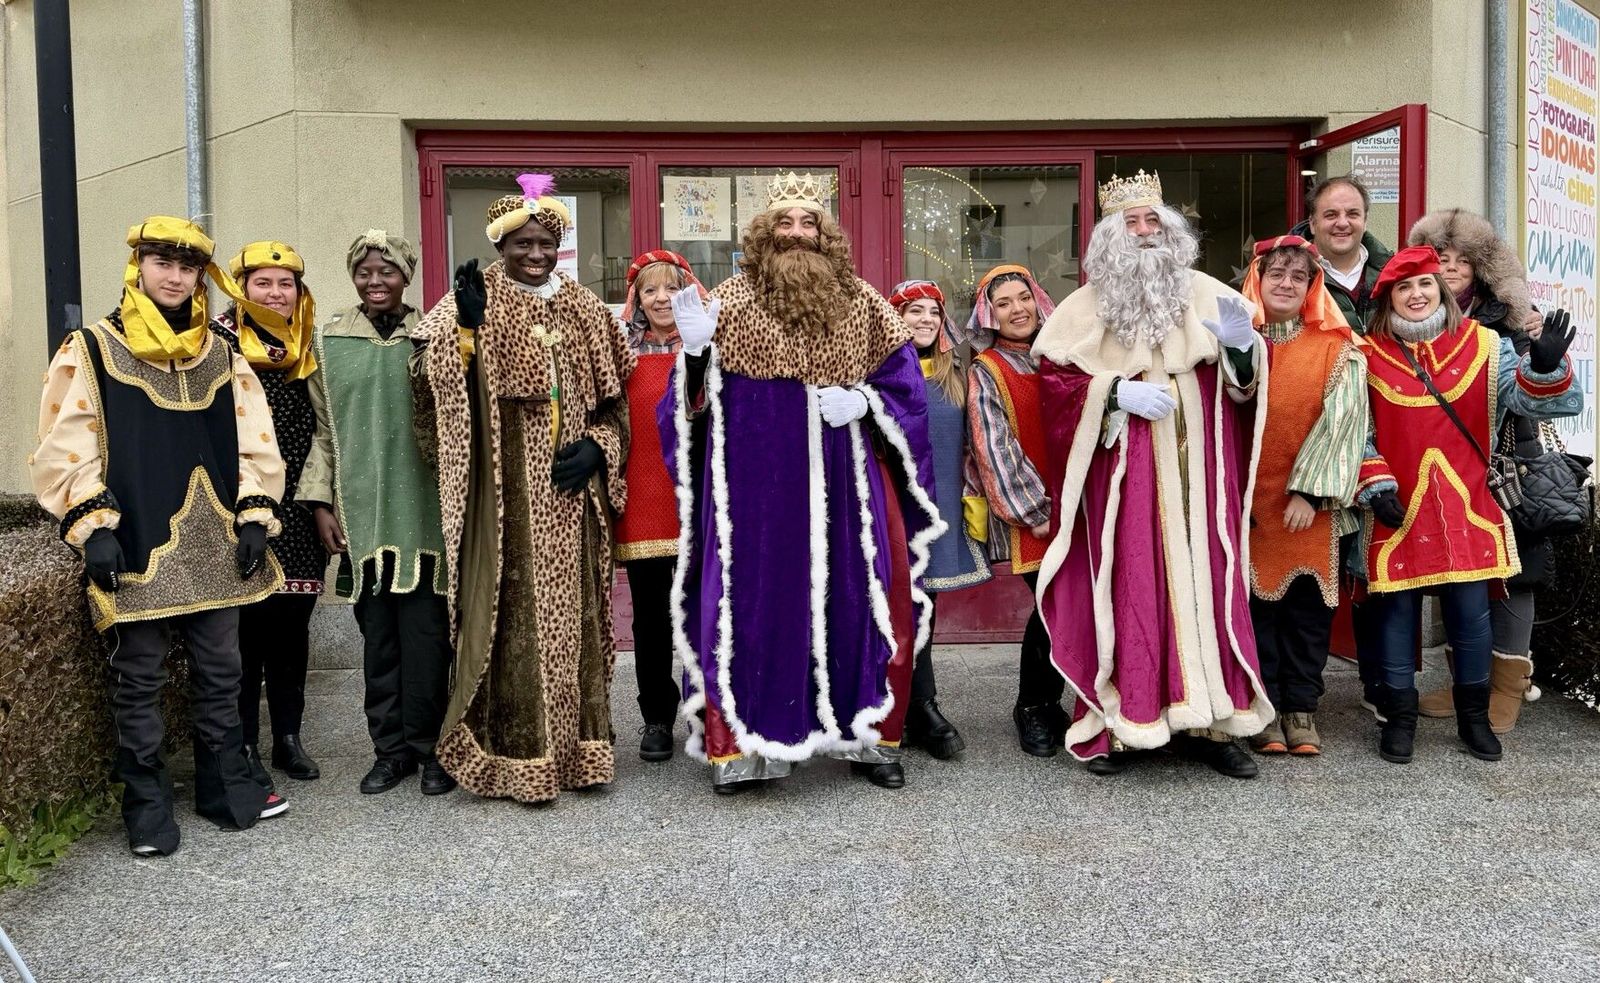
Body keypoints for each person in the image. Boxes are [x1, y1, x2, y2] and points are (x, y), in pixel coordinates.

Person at [661, 171, 944, 793]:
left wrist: (865, 401)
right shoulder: (730, 300)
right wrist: (697, 355)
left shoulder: (864, 302)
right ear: (765, 233)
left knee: (862, 596)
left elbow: (908, 389)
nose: (796, 233)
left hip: (847, 481)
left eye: (807, 222)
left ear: (825, 233)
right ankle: (748, 745)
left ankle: (864, 735)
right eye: (784, 222)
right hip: (754, 488)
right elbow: (685, 411)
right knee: (753, 605)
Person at [31, 217, 289, 856]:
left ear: (201, 276)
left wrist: (254, 512)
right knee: (140, 674)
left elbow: (254, 437)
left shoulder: (223, 354)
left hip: (216, 540)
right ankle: (145, 802)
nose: (174, 278)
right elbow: (68, 441)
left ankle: (222, 784)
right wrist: (91, 523)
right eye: (162, 264)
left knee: (222, 669)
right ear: (139, 267)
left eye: (187, 267)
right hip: (138, 538)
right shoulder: (91, 349)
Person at [1032, 171, 1271, 779]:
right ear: (1111, 238)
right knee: (1131, 585)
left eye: (1153, 222)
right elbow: (1056, 387)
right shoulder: (1082, 308)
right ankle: (1124, 723)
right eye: (1131, 223)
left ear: (1173, 231)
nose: (1144, 233)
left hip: (1199, 477)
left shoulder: (1209, 293)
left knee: (1207, 585)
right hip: (1125, 481)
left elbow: (1243, 390)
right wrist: (1114, 394)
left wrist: (1241, 349)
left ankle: (1212, 721)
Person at [414, 174, 635, 803]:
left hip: (572, 499)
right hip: (505, 495)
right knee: (510, 622)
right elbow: (429, 388)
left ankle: (581, 754)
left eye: (546, 243)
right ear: (501, 245)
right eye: (522, 243)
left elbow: (616, 404)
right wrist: (466, 333)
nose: (535, 254)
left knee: (577, 621)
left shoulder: (586, 307)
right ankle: (513, 757)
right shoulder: (470, 298)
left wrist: (599, 448)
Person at [1353, 245, 1580, 764]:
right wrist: (1374, 483)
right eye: (1403, 287)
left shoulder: (1485, 345)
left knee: (1471, 616)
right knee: (1395, 614)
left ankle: (1474, 720)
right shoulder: (1365, 355)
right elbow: (1352, 430)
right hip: (1397, 506)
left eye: (1425, 284)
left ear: (1442, 290)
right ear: (1388, 299)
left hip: (1469, 505)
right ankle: (1400, 721)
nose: (1416, 294)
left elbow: (1527, 400)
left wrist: (1543, 367)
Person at [299, 230, 456, 797]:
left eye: (387, 271)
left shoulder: (434, 337)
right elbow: (323, 433)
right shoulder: (329, 342)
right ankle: (389, 752)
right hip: (362, 515)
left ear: (406, 276)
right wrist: (321, 503)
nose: (375, 282)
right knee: (379, 642)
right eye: (365, 272)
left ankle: (432, 750)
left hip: (426, 513)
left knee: (428, 640)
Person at [1408, 209, 1549, 733]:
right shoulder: (1418, 317)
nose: (1449, 268)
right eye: (1440, 258)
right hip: (1445, 462)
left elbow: (1537, 392)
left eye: (1461, 260)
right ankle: (1465, 679)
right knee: (1456, 568)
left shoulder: (1512, 320)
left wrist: (1540, 355)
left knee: (1514, 572)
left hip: (1506, 461)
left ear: (1482, 269)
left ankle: (1508, 686)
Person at [1237, 236, 1369, 756]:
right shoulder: (1235, 345)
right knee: (1256, 615)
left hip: (1309, 509)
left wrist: (1309, 494)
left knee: (1308, 615)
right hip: (1248, 505)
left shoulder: (1337, 348)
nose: (1287, 284)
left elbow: (1344, 423)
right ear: (1257, 280)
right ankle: (1265, 708)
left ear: (1312, 286)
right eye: (1277, 274)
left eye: (1298, 276)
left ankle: (1301, 710)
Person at [210, 240, 323, 790]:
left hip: (299, 506)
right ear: (242, 288)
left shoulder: (308, 343)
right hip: (240, 505)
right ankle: (245, 744)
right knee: (245, 635)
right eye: (263, 283)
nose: (276, 293)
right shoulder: (217, 343)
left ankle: (289, 738)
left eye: (286, 284)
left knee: (291, 629)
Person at [962, 265, 1065, 758]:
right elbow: (992, 447)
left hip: (1074, 506)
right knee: (1050, 609)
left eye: (1023, 298)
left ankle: (1053, 703)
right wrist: (1033, 510)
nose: (1017, 309)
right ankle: (1032, 707)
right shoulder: (986, 369)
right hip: (1033, 515)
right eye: (1003, 304)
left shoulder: (1061, 355)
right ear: (990, 315)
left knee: (1068, 610)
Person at [890, 279, 990, 759]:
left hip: (942, 506)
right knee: (895, 611)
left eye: (933, 312)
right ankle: (913, 706)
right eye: (915, 311)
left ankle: (918, 706)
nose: (926, 319)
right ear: (896, 318)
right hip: (893, 510)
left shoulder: (957, 374)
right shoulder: (880, 372)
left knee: (925, 609)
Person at [616, 250, 706, 761]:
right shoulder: (619, 350)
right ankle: (656, 717)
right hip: (642, 494)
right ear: (636, 298)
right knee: (650, 619)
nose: (661, 298)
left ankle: (706, 710)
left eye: (671, 287)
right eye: (649, 289)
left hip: (696, 495)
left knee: (701, 610)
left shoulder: (708, 344)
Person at [1296, 175, 1394, 331]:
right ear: (1313, 224)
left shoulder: (1394, 274)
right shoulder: (1290, 279)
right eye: (1331, 215)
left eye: (1352, 214)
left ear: (1365, 221)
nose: (1342, 223)